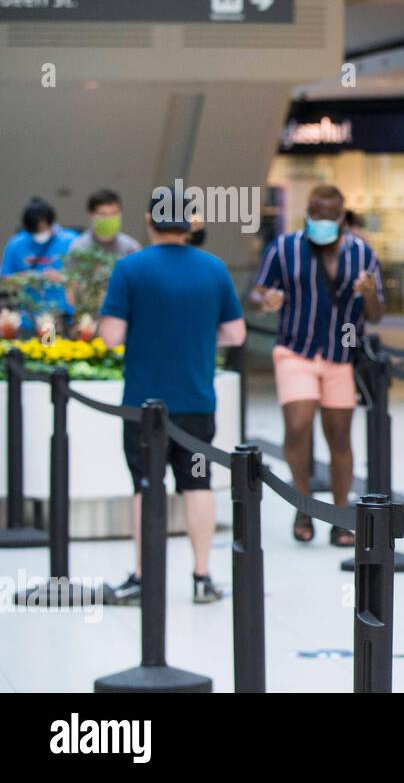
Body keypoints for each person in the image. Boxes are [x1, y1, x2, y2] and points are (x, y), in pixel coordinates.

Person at [99, 186, 246, 605]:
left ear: (149, 221)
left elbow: (110, 336)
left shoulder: (130, 269)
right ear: (191, 223)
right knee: (197, 483)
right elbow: (235, 334)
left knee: (147, 486)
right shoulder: (214, 269)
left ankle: (144, 578)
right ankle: (202, 577)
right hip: (197, 402)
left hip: (144, 405)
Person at [252, 184, 384, 547]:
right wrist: (268, 299)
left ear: (342, 217)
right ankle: (303, 503)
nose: (321, 222)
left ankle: (341, 516)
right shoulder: (285, 247)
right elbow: (258, 291)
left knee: (338, 435)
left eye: (328, 217)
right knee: (298, 424)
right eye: (315, 215)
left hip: (341, 355)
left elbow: (377, 314)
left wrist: (369, 292)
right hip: (296, 349)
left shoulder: (363, 254)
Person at [2, 197, 76, 328]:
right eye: (37, 231)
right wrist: (25, 278)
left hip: (62, 316)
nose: (41, 234)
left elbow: (85, 277)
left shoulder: (71, 241)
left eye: (44, 228)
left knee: (54, 346)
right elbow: (5, 279)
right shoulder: (16, 244)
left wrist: (63, 277)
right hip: (28, 318)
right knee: (34, 348)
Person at [69, 189, 141, 257]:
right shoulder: (79, 247)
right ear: (91, 214)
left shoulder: (131, 247)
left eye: (114, 213)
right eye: (103, 214)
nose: (109, 218)